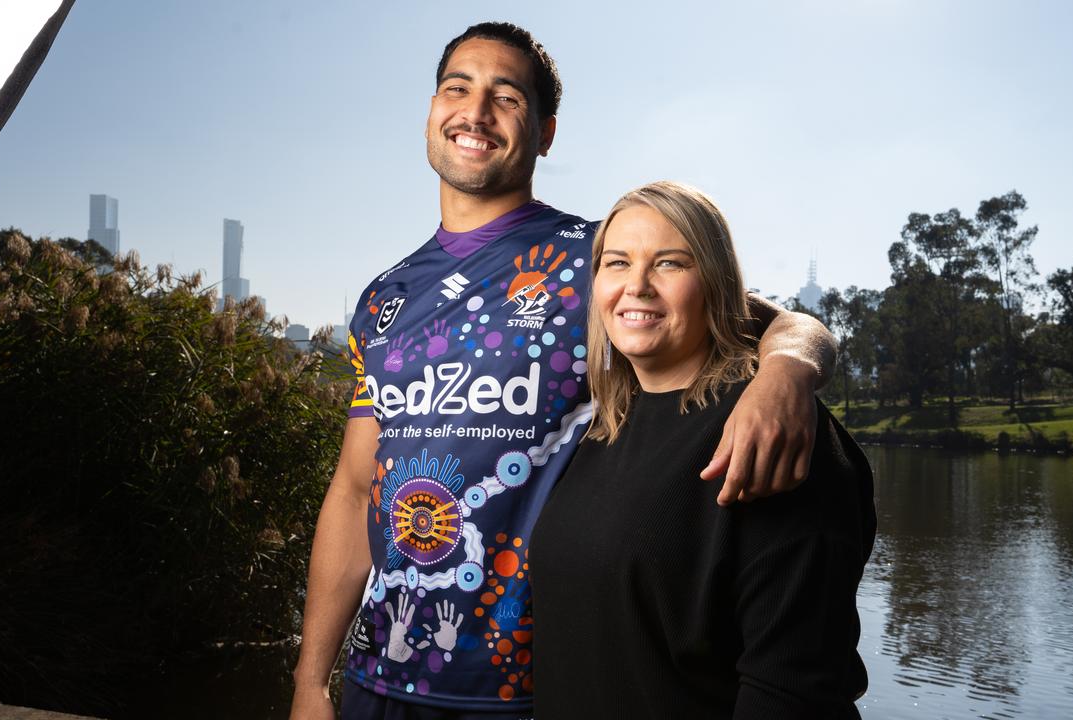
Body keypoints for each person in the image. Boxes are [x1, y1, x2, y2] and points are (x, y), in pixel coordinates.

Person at [290, 23, 838, 720]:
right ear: (432, 112)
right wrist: (312, 680)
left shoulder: (597, 259)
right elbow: (354, 485)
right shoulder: (385, 298)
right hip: (380, 683)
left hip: (538, 689)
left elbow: (785, 323)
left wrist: (787, 375)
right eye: (456, 88)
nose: (475, 111)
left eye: (506, 97)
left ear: (546, 132)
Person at [530, 181, 876, 718]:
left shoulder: (769, 427)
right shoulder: (602, 425)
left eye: (669, 264)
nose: (637, 286)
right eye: (617, 263)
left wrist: (787, 368)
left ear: (716, 283)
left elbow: (792, 690)